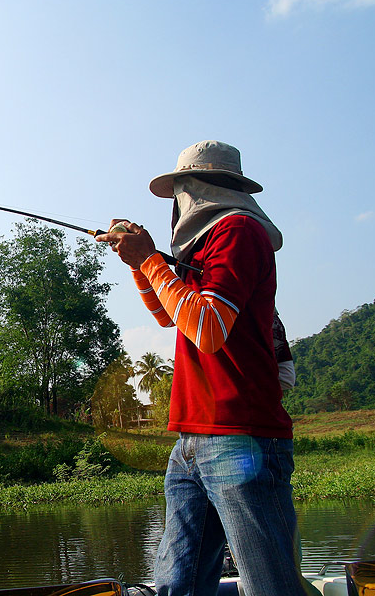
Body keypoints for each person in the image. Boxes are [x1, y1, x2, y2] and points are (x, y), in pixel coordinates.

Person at [95, 140, 311, 596]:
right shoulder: (205, 246)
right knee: (179, 584)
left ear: (194, 187)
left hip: (240, 435)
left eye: (178, 191)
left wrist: (151, 259)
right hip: (193, 438)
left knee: (269, 586)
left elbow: (208, 328)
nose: (175, 204)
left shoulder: (237, 231)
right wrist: (138, 264)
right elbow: (169, 314)